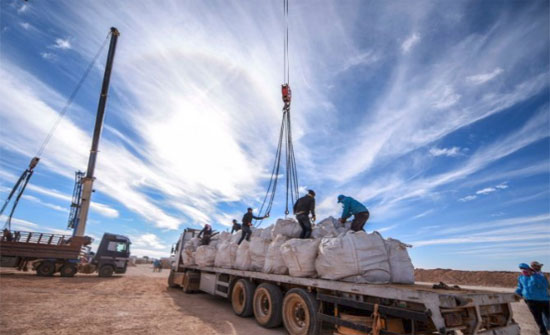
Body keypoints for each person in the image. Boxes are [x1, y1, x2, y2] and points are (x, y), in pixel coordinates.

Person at [516, 263, 550, 334]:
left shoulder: (539, 276)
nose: (524, 271)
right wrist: (517, 293)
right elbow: (520, 287)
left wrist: (533, 276)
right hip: (530, 300)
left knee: (548, 316)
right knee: (538, 319)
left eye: (525, 269)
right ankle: (543, 333)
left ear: (530, 269)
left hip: (543, 300)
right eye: (522, 270)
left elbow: (544, 286)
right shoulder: (521, 277)